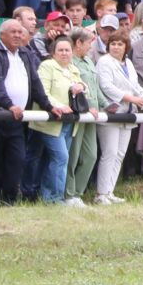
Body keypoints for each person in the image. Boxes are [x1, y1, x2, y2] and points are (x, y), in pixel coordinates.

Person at [0, 19, 51, 204]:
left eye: (20, 32)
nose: (18, 35)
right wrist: (9, 105)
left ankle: (9, 199)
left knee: (16, 160)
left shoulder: (25, 53)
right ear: (1, 35)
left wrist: (49, 106)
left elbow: (36, 83)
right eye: (13, 32)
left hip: (18, 119)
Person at [94, 30, 143, 204]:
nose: (116, 47)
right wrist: (131, 98)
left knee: (120, 154)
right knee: (109, 152)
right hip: (112, 112)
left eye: (120, 44)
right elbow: (106, 86)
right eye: (113, 44)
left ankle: (109, 191)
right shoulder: (104, 62)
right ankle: (101, 193)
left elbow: (135, 86)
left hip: (128, 113)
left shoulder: (129, 64)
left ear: (126, 47)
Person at [32, 35, 83, 205]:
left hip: (69, 124)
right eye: (60, 50)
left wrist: (81, 87)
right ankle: (55, 198)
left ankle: (47, 196)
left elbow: (84, 89)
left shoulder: (74, 69)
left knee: (56, 160)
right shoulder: (47, 66)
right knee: (61, 158)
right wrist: (59, 106)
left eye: (67, 50)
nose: (64, 53)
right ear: (52, 53)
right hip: (51, 122)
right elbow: (42, 92)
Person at [64, 27, 103, 203]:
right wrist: (87, 107)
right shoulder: (69, 61)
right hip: (79, 113)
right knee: (73, 155)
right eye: (88, 43)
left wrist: (107, 105)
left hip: (93, 115)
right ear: (78, 43)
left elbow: (95, 87)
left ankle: (77, 193)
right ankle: (69, 194)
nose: (90, 47)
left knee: (91, 155)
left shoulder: (88, 60)